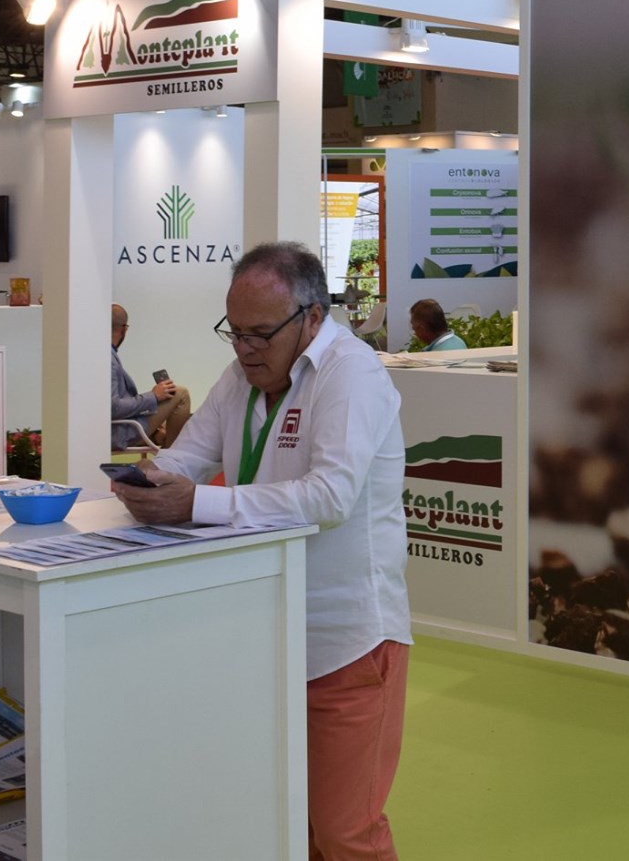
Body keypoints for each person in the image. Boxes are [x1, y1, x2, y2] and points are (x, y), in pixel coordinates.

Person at [112, 243, 411, 861]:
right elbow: (188, 457)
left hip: (345, 642)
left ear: (312, 317)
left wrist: (197, 503)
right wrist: (147, 483)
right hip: (260, 637)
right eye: (234, 332)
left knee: (345, 832)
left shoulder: (350, 374)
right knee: (283, 826)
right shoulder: (240, 379)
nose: (245, 348)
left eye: (260, 334)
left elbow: (330, 497)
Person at [111, 304, 192, 449]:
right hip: (119, 432)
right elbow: (114, 407)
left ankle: (162, 442)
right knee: (180, 394)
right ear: (124, 329)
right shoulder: (108, 358)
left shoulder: (105, 355)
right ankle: (172, 459)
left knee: (172, 420)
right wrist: (153, 396)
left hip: (121, 426)